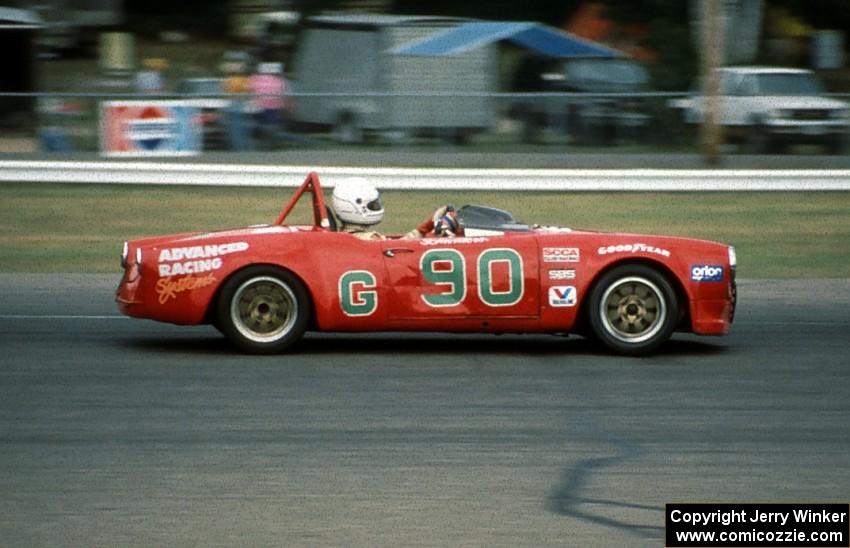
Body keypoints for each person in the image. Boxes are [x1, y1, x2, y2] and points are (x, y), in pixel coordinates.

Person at [331, 178, 461, 241]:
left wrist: (427, 226)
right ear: (355, 207)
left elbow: (401, 244)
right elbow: (405, 255)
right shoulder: (370, 239)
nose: (376, 207)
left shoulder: (346, 237)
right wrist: (436, 235)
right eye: (373, 205)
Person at [248, 62, 288, 149]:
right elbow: (283, 94)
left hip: (256, 106)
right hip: (274, 107)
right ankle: (269, 144)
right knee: (271, 125)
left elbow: (249, 90)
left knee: (257, 124)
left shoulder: (254, 79)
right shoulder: (280, 81)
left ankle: (258, 143)